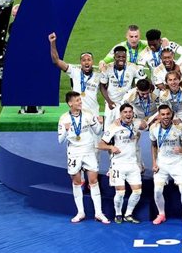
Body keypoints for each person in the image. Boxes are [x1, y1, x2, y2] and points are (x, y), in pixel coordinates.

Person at [57, 91, 109, 224]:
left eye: (80, 100)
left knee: (93, 181)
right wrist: (67, 130)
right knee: (76, 183)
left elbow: (97, 131)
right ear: (70, 103)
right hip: (74, 153)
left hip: (89, 151)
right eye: (77, 101)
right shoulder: (64, 118)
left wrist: (100, 123)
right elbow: (60, 140)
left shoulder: (87, 114)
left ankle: (98, 213)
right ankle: (80, 212)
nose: (80, 102)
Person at [98, 103, 148, 224]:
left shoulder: (135, 124)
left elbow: (145, 125)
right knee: (120, 192)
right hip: (118, 164)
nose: (128, 114)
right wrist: (111, 147)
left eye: (130, 112)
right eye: (125, 112)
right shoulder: (113, 127)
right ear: (120, 114)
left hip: (132, 164)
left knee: (137, 191)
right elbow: (100, 144)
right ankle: (118, 213)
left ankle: (128, 214)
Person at [149, 104, 182, 225]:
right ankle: (161, 214)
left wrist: (181, 150)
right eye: (163, 114)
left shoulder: (179, 127)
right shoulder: (154, 128)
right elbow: (153, 145)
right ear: (159, 115)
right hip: (161, 163)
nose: (166, 117)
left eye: (168, 114)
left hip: (177, 163)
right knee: (157, 190)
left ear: (171, 114)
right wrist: (154, 163)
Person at [49, 32, 102, 119]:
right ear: (80, 63)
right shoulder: (74, 71)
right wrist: (52, 43)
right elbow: (56, 61)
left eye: (89, 60)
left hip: (93, 115)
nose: (86, 62)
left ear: (92, 62)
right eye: (84, 60)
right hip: (77, 115)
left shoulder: (98, 75)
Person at [100, 46, 145, 126]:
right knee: (108, 127)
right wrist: (109, 101)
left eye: (123, 57)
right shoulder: (107, 68)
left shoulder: (133, 67)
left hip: (127, 102)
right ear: (114, 57)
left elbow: (145, 79)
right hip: (111, 102)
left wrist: (140, 91)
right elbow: (102, 86)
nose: (121, 59)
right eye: (118, 57)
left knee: (125, 126)